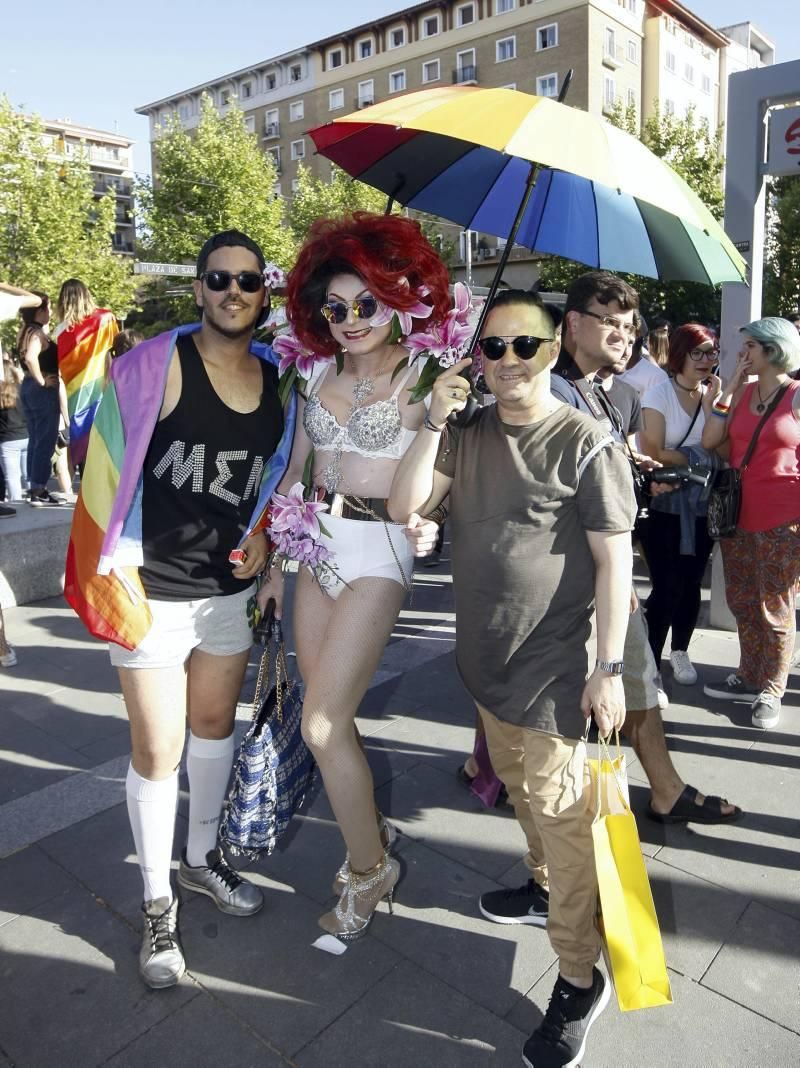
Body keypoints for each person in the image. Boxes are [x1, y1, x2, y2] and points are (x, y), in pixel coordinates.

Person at [390, 288, 635, 1067]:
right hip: (485, 666)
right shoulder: (463, 432)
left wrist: (610, 668)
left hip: (556, 673)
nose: (505, 362)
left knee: (567, 830)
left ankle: (577, 976)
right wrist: (431, 418)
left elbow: (613, 562)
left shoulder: (586, 442)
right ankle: (540, 891)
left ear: (553, 350)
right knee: (529, 802)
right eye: (491, 347)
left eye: (522, 346)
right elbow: (405, 502)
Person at [65, 230, 296, 989]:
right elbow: (98, 466)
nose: (234, 291)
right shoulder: (151, 368)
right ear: (197, 289)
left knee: (211, 731)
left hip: (225, 596)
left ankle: (200, 863)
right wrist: (109, 573)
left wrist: (264, 539)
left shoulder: (277, 383)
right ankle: (157, 904)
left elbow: (268, 484)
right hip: (151, 593)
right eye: (219, 278)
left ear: (266, 294)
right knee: (158, 751)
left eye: (249, 280)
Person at [264, 212, 445, 943]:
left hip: (380, 551)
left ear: (399, 296)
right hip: (316, 549)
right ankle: (370, 837)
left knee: (321, 723)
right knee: (327, 719)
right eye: (334, 308)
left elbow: (444, 478)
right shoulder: (315, 372)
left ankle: (370, 872)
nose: (349, 320)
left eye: (366, 303)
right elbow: (298, 470)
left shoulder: (429, 375)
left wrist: (429, 509)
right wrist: (279, 564)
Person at [550, 270, 741, 826]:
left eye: (630, 326)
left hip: (605, 568)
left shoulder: (600, 394)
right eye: (609, 321)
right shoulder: (556, 393)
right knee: (592, 695)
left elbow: (596, 476)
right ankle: (563, 846)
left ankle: (664, 788)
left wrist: (637, 477)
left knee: (634, 677)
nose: (624, 335)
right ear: (574, 324)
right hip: (573, 572)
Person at [702, 317, 800, 729]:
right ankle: (749, 674)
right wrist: (731, 388)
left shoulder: (795, 395)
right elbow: (711, 440)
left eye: (750, 348)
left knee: (774, 605)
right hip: (737, 513)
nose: (741, 355)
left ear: (773, 349)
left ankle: (773, 687)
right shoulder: (740, 392)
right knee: (742, 598)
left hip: (783, 516)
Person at [638, 324, 719, 686]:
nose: (706, 360)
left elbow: (726, 449)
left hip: (702, 504)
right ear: (679, 355)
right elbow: (653, 450)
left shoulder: (714, 397)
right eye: (697, 353)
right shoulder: (658, 394)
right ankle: (651, 659)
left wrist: (713, 408)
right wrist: (700, 457)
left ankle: (680, 650)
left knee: (691, 584)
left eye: (712, 352)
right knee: (666, 585)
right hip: (665, 505)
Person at [55, 278, 118, 468]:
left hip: (75, 396)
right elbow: (117, 351)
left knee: (83, 444)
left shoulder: (60, 330)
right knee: (104, 444)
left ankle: (85, 492)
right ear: (87, 295)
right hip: (103, 391)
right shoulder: (106, 318)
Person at [17, 291, 65, 506]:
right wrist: (43, 381)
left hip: (27, 387)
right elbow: (30, 358)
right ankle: (39, 489)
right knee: (45, 440)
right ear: (40, 310)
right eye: (47, 308)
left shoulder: (24, 331)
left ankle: (34, 487)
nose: (50, 312)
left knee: (35, 440)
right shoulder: (36, 333)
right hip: (41, 388)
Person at [0, 356, 28, 502]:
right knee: (28, 473)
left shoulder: (1, 393)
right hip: (26, 435)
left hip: (7, 440)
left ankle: (17, 504)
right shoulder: (22, 388)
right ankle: (34, 496)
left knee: (12, 477)